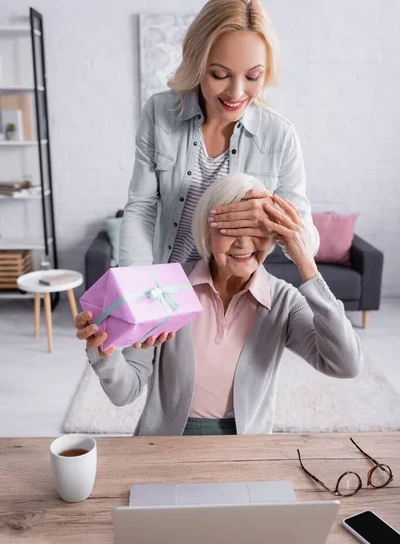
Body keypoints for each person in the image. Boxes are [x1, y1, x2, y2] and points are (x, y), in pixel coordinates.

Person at [76, 174, 362, 436]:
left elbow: (345, 364)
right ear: (207, 231)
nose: (243, 242)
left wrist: (306, 265)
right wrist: (104, 350)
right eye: (230, 227)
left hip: (246, 450)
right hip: (165, 445)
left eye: (257, 229)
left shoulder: (283, 301)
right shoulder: (166, 287)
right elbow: (124, 392)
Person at [119, 0, 320, 269]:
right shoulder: (159, 114)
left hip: (233, 297)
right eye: (220, 74)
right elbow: (141, 209)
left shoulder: (279, 136)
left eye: (253, 76)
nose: (236, 92)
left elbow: (308, 243)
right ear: (197, 64)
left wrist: (271, 217)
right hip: (168, 288)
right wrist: (136, 287)